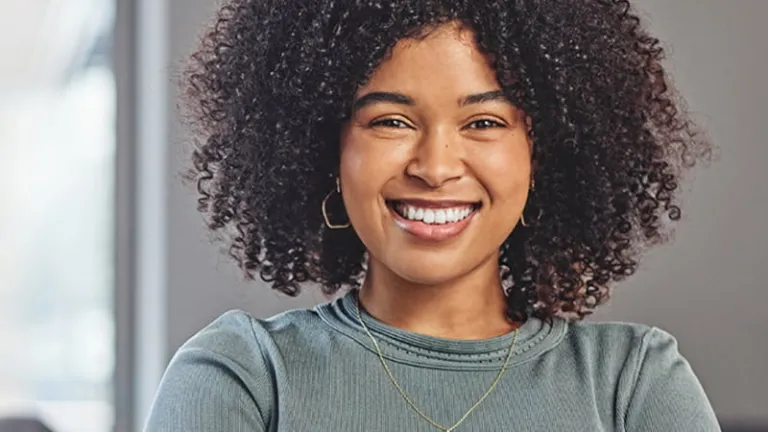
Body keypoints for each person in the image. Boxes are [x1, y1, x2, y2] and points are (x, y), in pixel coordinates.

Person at [145, 0, 719, 430]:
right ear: (327, 150)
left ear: (539, 156)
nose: (435, 167)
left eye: (484, 123)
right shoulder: (245, 379)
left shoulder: (633, 386)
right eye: (391, 121)